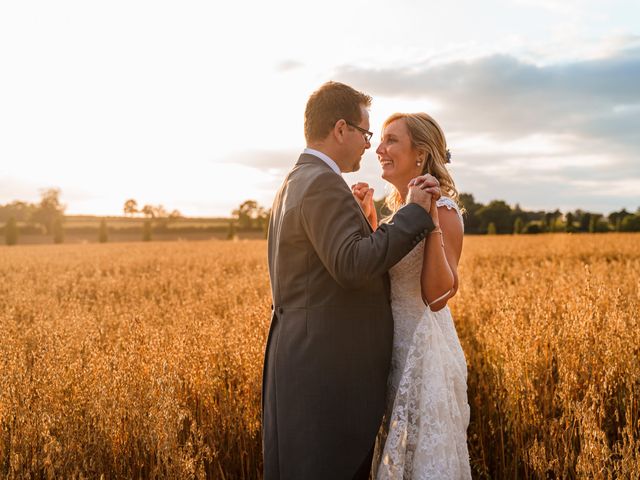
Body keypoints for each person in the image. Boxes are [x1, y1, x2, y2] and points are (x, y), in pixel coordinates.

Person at [262, 82, 441, 480]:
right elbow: (351, 264)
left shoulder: (294, 182)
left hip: (305, 367)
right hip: (326, 380)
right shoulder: (322, 183)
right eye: (366, 133)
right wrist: (413, 213)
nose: (368, 145)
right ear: (341, 129)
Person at [352, 112, 471, 478]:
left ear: (420, 153)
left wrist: (430, 218)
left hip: (424, 352)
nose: (379, 149)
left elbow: (436, 296)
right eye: (381, 140)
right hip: (393, 352)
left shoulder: (446, 211)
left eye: (391, 141)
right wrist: (371, 223)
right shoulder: (397, 214)